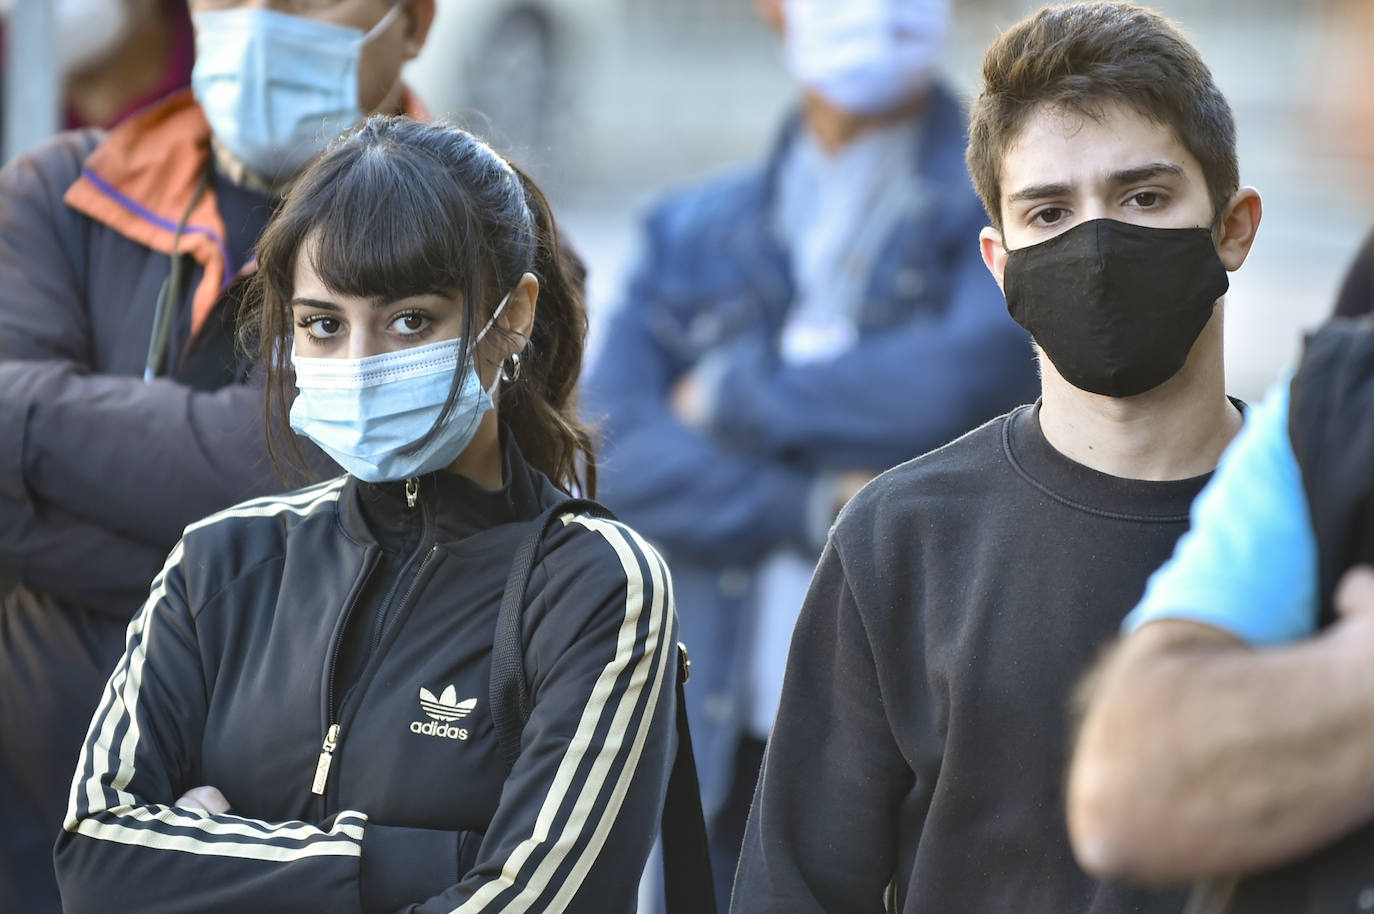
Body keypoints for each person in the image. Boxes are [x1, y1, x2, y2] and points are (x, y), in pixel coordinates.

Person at [54, 115, 679, 914]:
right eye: (323, 325)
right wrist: (429, 862)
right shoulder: (221, 562)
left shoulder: (594, 584)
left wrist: (207, 861)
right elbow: (94, 860)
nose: (360, 364)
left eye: (410, 320)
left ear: (512, 317)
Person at [731, 3, 1263, 911]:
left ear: (1232, 228)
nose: (1096, 247)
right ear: (999, 260)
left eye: (1143, 197)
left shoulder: (1329, 520)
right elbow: (798, 890)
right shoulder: (901, 542)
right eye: (1049, 212)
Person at [581, 0, 1036, 905]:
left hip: (926, 729)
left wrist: (732, 393)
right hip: (719, 720)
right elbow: (612, 446)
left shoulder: (1013, 204)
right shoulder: (692, 230)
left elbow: (959, 384)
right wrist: (813, 502)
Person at [0, 2, 433, 911]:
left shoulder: (487, 240)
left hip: (312, 863)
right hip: (37, 838)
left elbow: (415, 527)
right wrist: (262, 550)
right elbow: (332, 494)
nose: (265, 15)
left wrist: (33, 433)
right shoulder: (60, 194)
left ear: (417, 21)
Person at [1065, 325, 1374, 898]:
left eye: (1153, 223)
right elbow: (1133, 789)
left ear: (1235, 231)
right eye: (1049, 224)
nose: (1103, 245)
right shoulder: (1335, 405)